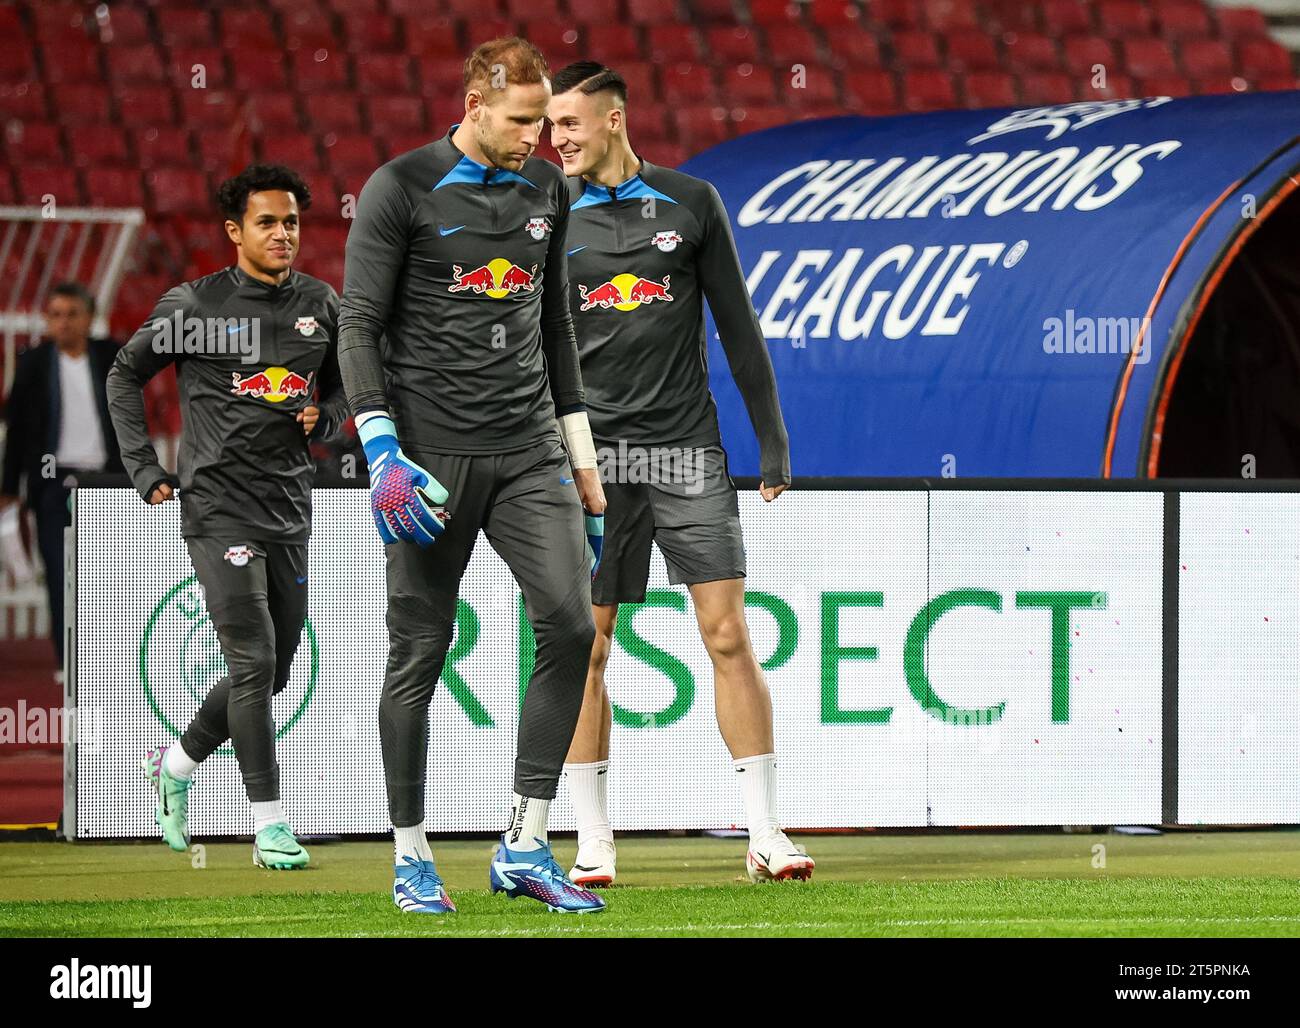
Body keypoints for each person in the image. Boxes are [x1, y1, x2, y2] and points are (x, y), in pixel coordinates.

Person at [338, 37, 607, 915]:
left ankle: (525, 843)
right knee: (419, 649)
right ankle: (411, 855)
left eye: (545, 118)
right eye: (524, 119)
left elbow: (557, 329)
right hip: (428, 461)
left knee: (570, 625)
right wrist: (381, 448)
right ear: (475, 105)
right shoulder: (399, 188)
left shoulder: (547, 192)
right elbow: (358, 327)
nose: (541, 135)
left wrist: (584, 462)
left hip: (531, 450)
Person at [548, 62, 814, 885]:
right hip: (592, 462)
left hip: (687, 451)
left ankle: (766, 833)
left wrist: (771, 439)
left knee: (728, 634)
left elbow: (738, 327)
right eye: (548, 126)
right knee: (587, 648)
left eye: (569, 124)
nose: (555, 139)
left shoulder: (692, 203)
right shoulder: (542, 216)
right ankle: (593, 840)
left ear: (615, 119)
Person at [107, 164, 348, 870]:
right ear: (235, 231)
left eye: (292, 222)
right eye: (267, 222)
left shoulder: (320, 305)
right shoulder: (196, 306)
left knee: (274, 669)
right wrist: (144, 466)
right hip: (216, 507)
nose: (282, 234)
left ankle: (175, 767)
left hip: (289, 509)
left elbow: (342, 391)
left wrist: (325, 417)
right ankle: (269, 823)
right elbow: (125, 372)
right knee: (253, 660)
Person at [1, 283, 123, 666]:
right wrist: (9, 487)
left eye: (72, 314)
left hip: (105, 480)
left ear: (89, 318)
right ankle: (67, 659)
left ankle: (110, 654)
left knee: (107, 575)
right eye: (55, 314)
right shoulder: (34, 363)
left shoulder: (111, 357)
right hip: (53, 479)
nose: (64, 322)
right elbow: (17, 429)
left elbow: (132, 419)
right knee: (58, 570)